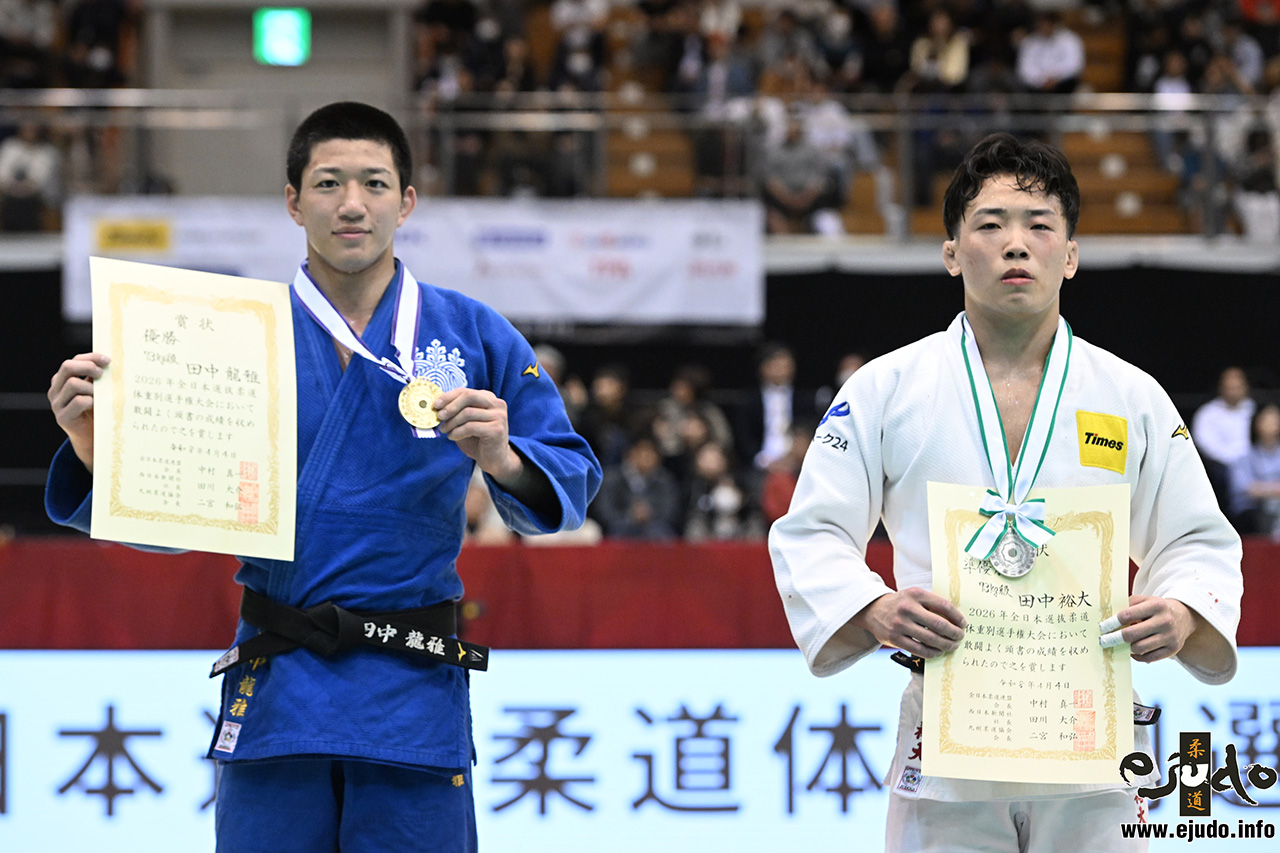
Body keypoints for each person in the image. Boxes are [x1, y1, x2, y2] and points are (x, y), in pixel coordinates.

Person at [44, 101, 602, 852]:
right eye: (329, 183)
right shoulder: (229, 336)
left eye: (374, 184)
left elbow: (564, 491)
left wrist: (500, 458)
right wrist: (91, 448)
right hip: (280, 690)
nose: (351, 204)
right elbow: (173, 517)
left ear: (406, 201)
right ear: (292, 201)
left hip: (410, 692)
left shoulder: (473, 334)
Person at [770, 132, 1242, 852]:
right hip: (948, 744)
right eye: (990, 225)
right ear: (953, 253)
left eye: (1039, 225)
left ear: (1072, 254)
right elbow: (812, 532)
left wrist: (1181, 610)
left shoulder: (1131, 395)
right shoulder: (886, 389)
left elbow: (1195, 540)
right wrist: (874, 605)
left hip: (1093, 741)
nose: (1015, 244)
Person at [1228, 402, 1280, 536]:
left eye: (1275, 419)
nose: (1271, 424)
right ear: (1256, 422)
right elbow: (1246, 489)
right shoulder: (1243, 455)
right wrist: (1274, 490)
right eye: (1266, 419)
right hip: (1252, 511)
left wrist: (1264, 489)